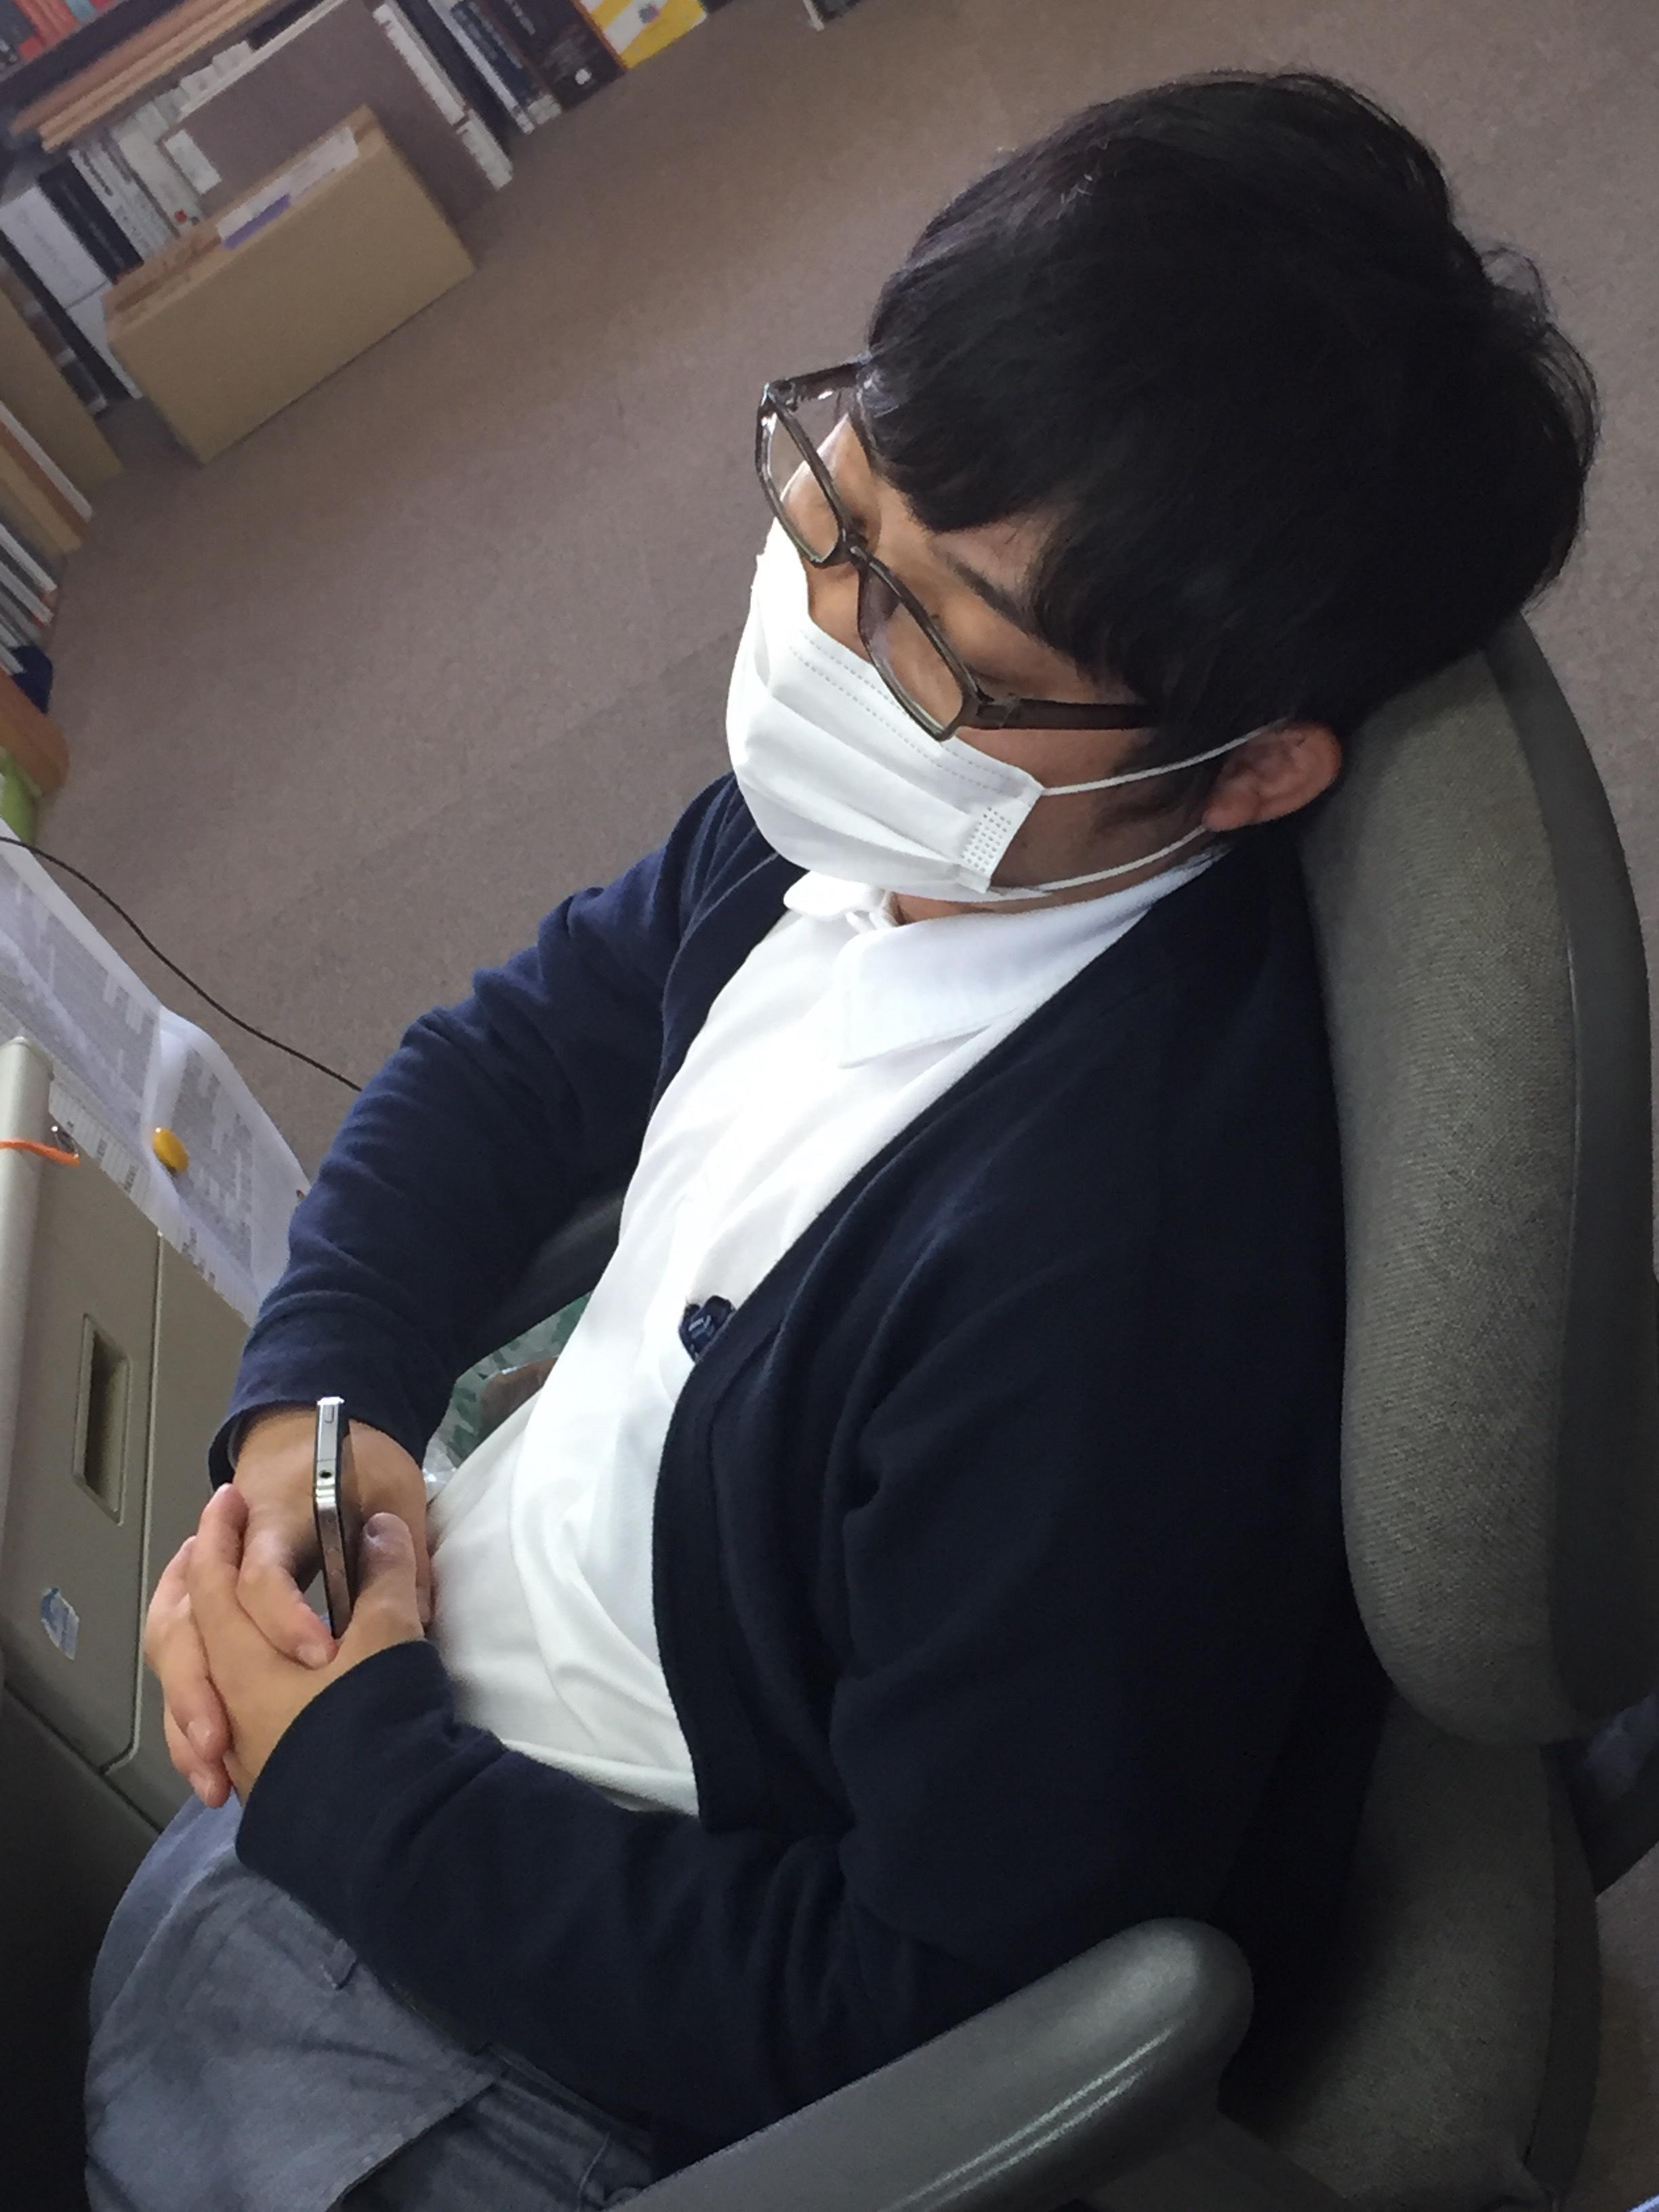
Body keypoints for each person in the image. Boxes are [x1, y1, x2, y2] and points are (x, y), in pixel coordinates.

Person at [87, 66, 1597, 2212]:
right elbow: (504, 1059)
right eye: (836, 504)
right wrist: (311, 1431)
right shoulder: (896, 827)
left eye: (932, 637)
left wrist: (352, 1787)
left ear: (1251, 773)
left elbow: (934, 1997)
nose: (817, 642)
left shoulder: (1102, 1295)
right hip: (443, 1740)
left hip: (580, 2032)